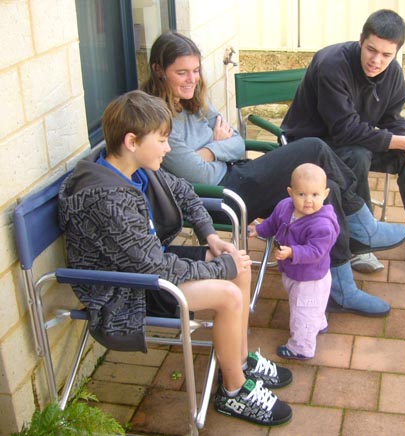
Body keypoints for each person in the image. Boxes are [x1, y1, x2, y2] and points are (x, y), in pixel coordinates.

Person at [58, 90, 294, 427]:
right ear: (132, 141)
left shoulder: (135, 168)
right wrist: (217, 267)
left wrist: (210, 236)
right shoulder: (106, 198)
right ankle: (233, 392)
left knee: (238, 264)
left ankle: (238, 362)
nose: (169, 148)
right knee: (228, 291)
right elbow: (152, 268)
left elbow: (183, 190)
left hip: (147, 263)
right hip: (124, 291)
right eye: (163, 140)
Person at [141, 31, 405, 318]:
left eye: (195, 70)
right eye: (181, 72)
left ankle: (342, 287)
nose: (192, 79)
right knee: (314, 149)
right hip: (220, 199)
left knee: (323, 188)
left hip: (239, 176)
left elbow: (237, 143)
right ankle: (364, 227)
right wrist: (216, 144)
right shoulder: (158, 119)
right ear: (158, 71)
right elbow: (202, 177)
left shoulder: (194, 101)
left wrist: (210, 150)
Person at [281, 8, 405, 274]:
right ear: (361, 40)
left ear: (396, 53)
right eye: (371, 50)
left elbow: (393, 117)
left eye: (386, 55)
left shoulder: (392, 73)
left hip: (349, 143)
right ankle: (360, 239)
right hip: (309, 146)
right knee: (358, 153)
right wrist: (403, 141)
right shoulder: (331, 64)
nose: (376, 61)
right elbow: (345, 131)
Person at [249, 163, 339, 360]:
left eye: (315, 195)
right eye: (301, 194)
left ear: (325, 194)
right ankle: (318, 323)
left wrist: (292, 252)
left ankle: (301, 347)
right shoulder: (285, 207)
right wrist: (260, 229)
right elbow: (273, 222)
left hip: (310, 278)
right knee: (309, 305)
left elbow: (316, 251)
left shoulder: (322, 225)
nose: (308, 201)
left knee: (302, 310)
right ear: (291, 192)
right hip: (294, 272)